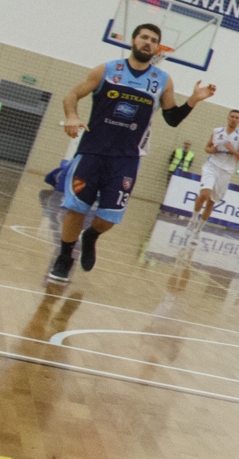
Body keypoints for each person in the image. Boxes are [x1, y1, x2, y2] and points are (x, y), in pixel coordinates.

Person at [51, 23, 214, 282]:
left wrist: (193, 100)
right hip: (93, 151)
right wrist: (72, 116)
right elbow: (72, 95)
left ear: (157, 48)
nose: (148, 43)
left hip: (127, 158)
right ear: (133, 41)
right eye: (144, 37)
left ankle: (91, 235)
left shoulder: (162, 80)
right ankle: (64, 257)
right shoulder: (106, 69)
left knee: (108, 219)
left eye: (153, 40)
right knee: (76, 208)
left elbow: (171, 118)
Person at [191, 109, 239, 231]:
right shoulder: (217, 131)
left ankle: (198, 230)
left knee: (211, 202)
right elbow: (207, 147)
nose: (234, 119)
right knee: (204, 195)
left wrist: (232, 150)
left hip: (226, 171)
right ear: (228, 117)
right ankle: (193, 219)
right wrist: (210, 150)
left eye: (236, 118)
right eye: (232, 116)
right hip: (212, 165)